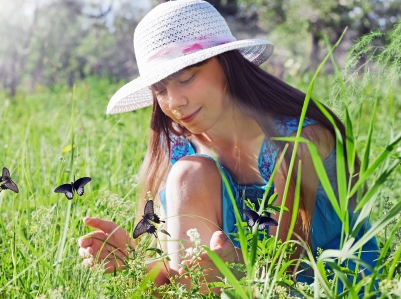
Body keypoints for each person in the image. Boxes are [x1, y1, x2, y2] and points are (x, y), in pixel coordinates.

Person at [78, 0, 379, 293]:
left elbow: (282, 273)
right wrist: (129, 265)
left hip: (324, 284)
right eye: (160, 90)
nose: (174, 102)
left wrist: (234, 267)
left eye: (185, 78)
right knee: (189, 172)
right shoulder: (182, 152)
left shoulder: (296, 140)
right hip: (234, 285)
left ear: (227, 63)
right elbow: (184, 279)